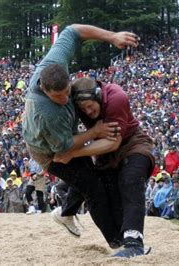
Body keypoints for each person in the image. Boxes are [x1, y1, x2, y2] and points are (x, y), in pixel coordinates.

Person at [22, 24, 138, 248]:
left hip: (66, 138)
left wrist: (112, 36)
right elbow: (64, 150)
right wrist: (94, 132)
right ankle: (117, 242)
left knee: (93, 176)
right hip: (48, 151)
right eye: (58, 96)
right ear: (45, 90)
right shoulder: (46, 113)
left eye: (68, 91)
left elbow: (73, 31)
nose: (66, 99)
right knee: (93, 187)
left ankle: (66, 213)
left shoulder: (53, 65)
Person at [53, 76, 155, 257]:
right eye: (83, 108)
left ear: (99, 96)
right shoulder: (77, 106)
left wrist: (72, 153)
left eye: (90, 105)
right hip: (103, 152)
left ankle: (134, 243)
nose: (88, 111)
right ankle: (68, 211)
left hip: (132, 143)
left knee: (130, 181)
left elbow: (113, 143)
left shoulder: (117, 98)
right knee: (99, 192)